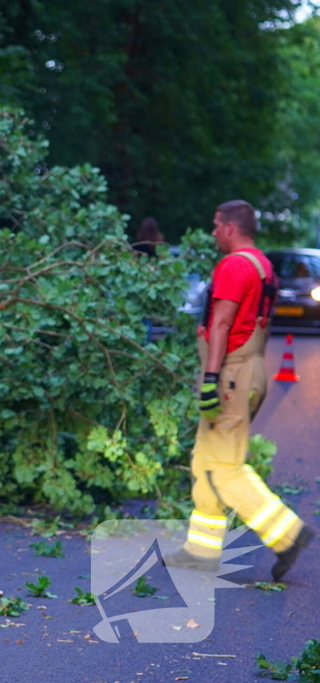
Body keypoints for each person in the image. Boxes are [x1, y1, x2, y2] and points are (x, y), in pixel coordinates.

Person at [165, 200, 313, 580]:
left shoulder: (234, 266)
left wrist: (211, 379)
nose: (213, 232)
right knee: (206, 462)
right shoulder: (262, 265)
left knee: (225, 468)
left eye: (216, 225)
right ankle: (201, 551)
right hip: (249, 369)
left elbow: (221, 325)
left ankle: (286, 533)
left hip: (231, 373)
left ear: (231, 227)